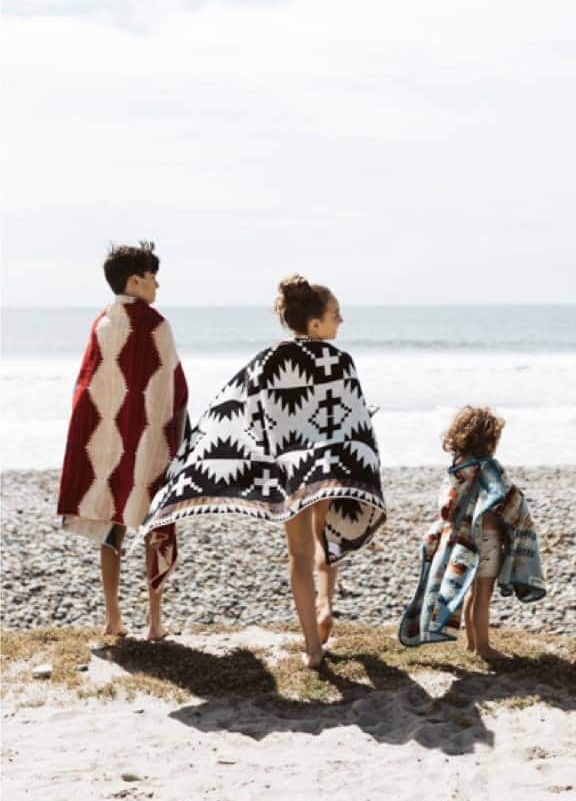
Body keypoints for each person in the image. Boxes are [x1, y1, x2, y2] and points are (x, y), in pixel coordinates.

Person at [143, 274, 386, 669]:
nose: (341, 322)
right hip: (328, 468)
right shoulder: (340, 362)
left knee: (299, 553)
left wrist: (206, 452)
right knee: (327, 538)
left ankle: (311, 646)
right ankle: (326, 604)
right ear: (315, 324)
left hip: (290, 474)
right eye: (336, 315)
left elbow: (239, 410)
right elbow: (356, 418)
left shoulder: (269, 359)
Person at [56, 241, 188, 642]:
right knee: (155, 522)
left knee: (113, 527)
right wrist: (177, 438)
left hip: (107, 446)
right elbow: (172, 389)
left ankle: (113, 618)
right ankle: (154, 621)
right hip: (148, 442)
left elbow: (89, 389)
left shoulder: (102, 322)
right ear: (136, 280)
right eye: (152, 277)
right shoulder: (156, 325)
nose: (157, 284)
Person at [398, 405, 546, 659]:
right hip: (486, 541)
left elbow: (451, 504)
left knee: (469, 590)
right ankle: (484, 647)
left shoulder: (457, 467)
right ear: (489, 440)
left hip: (463, 542)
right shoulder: (489, 469)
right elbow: (507, 498)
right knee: (483, 596)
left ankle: (470, 643)